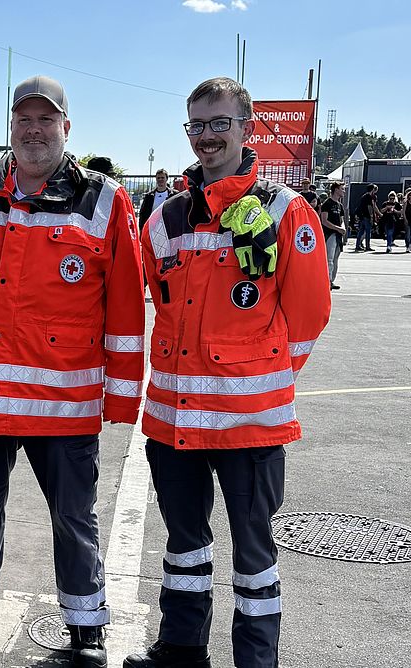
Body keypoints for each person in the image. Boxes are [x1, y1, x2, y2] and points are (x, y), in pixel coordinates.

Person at [0, 75, 145, 668]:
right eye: (24, 119)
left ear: (66, 128)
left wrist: (122, 398)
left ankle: (85, 624)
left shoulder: (103, 200)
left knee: (73, 518)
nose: (34, 130)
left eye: (46, 120)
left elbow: (126, 303)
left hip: (64, 404)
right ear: (10, 126)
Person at [128, 77, 331, 668]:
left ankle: (256, 661)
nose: (207, 136)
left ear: (246, 128)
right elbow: (160, 303)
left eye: (220, 123)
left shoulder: (284, 210)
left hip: (250, 428)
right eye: (197, 125)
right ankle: (182, 650)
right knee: (183, 550)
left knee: (254, 558)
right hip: (173, 425)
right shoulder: (164, 219)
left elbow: (309, 316)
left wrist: (263, 378)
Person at [320, 181, 347, 290]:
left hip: (338, 236)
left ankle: (331, 280)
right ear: (336, 190)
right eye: (342, 189)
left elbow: (342, 220)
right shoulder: (327, 204)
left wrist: (343, 228)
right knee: (329, 258)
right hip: (329, 234)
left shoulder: (340, 205)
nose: (344, 191)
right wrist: (337, 228)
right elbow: (324, 221)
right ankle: (327, 281)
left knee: (335, 258)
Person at [354, 184, 379, 252]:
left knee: (361, 231)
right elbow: (369, 207)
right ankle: (367, 246)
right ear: (372, 189)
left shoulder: (364, 196)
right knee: (368, 232)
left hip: (362, 216)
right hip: (367, 216)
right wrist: (371, 216)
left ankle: (358, 245)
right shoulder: (369, 197)